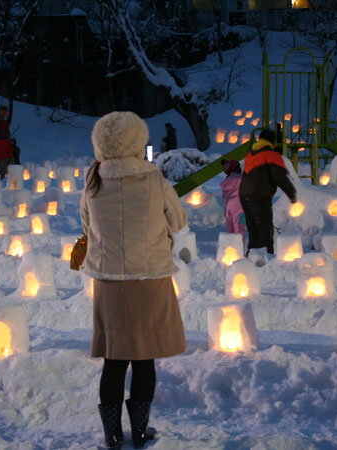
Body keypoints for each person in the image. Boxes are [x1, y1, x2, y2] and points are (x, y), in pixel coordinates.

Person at [80, 111, 187, 450]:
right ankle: (139, 431)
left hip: (110, 282)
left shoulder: (93, 180)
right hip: (150, 278)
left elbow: (87, 226)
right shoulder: (154, 178)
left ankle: (112, 435)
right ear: (138, 143)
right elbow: (179, 220)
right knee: (144, 358)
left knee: (114, 360)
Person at [239, 129, 297, 257]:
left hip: (244, 196)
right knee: (265, 230)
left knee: (253, 229)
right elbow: (280, 177)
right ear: (272, 141)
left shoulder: (252, 153)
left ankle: (252, 256)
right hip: (259, 196)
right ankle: (267, 260)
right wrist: (292, 194)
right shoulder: (271, 154)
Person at [220, 159, 246, 244]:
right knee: (240, 228)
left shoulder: (227, 181)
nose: (224, 169)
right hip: (241, 205)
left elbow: (225, 197)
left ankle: (231, 248)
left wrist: (226, 209)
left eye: (226, 166)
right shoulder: (242, 178)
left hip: (229, 206)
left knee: (230, 228)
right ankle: (239, 249)